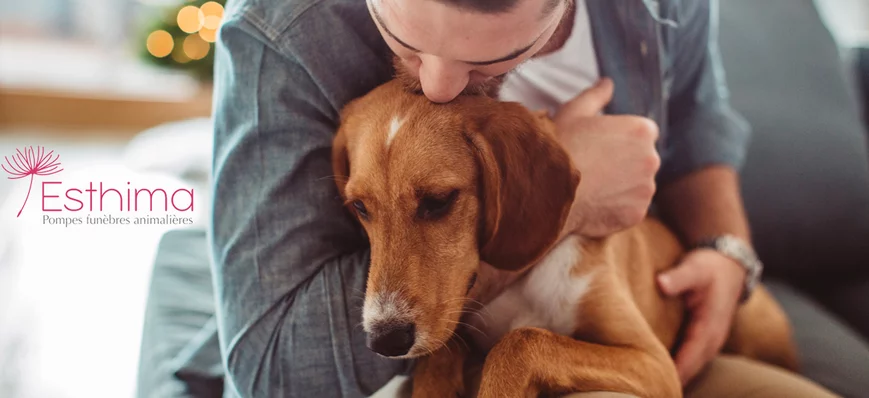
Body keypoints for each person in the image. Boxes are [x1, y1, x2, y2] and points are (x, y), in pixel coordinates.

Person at [135, 0, 865, 397]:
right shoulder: (279, 32)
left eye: (491, 55)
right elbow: (269, 375)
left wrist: (726, 251)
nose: (441, 84)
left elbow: (702, 113)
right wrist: (571, 198)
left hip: (653, 314)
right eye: (404, 35)